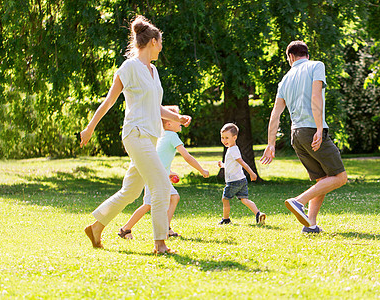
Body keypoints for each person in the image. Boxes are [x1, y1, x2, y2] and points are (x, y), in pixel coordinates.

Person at [81, 15, 190, 254]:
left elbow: (156, 106)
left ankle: (96, 227)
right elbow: (109, 101)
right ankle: (160, 243)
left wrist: (176, 118)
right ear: (152, 41)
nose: (161, 47)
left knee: (130, 191)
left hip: (149, 137)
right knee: (161, 186)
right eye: (160, 42)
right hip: (135, 134)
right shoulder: (129, 67)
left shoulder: (154, 71)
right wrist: (89, 128)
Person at [260, 40, 348, 233]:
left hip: (296, 135)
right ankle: (298, 201)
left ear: (291, 57)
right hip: (311, 129)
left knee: (322, 179)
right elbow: (316, 96)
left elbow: (275, 113)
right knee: (340, 177)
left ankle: (311, 224)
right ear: (306, 54)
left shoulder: (285, 79)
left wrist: (271, 143)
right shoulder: (316, 66)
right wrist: (319, 128)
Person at [118, 105, 210, 240]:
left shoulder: (162, 136)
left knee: (174, 197)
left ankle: (165, 227)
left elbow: (160, 158)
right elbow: (187, 156)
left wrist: (169, 172)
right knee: (148, 204)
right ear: (169, 123)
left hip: (158, 175)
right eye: (177, 118)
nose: (180, 122)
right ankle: (126, 229)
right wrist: (201, 169)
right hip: (154, 176)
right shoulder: (172, 136)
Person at [217, 123, 266, 225]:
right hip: (241, 180)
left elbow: (242, 163)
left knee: (225, 199)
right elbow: (232, 165)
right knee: (244, 199)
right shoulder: (232, 149)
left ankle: (226, 219)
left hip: (234, 181)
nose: (224, 140)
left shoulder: (233, 150)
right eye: (222, 138)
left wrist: (252, 173)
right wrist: (223, 165)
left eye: (227, 137)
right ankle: (258, 214)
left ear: (234, 137)